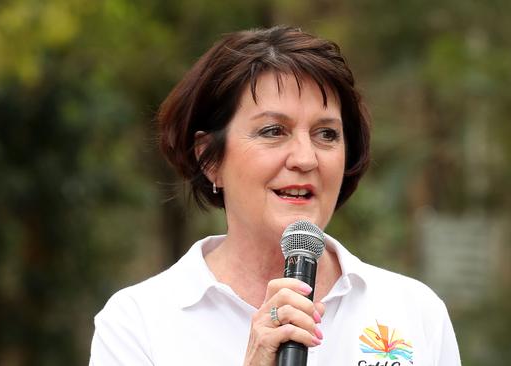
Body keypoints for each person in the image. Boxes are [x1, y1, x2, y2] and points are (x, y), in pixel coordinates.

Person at [89, 25, 461, 366]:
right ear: (209, 158)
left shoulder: (415, 312)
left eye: (326, 134)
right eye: (272, 131)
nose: (305, 158)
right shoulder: (138, 323)